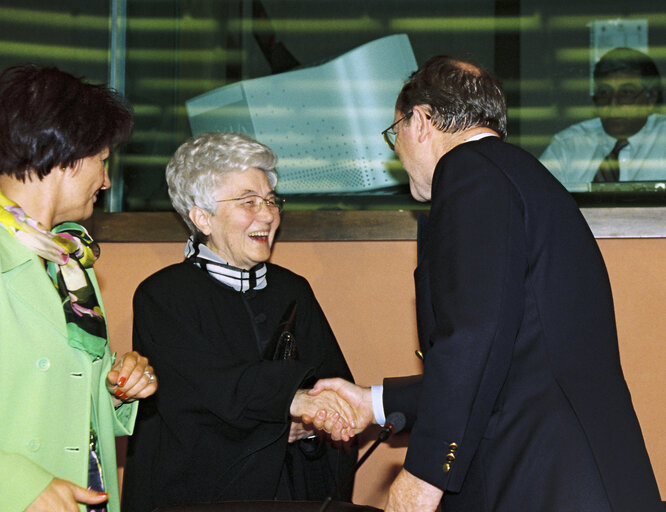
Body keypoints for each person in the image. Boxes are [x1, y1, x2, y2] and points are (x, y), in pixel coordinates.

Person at [310, 56, 663, 511]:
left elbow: (473, 338)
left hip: (542, 479)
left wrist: (423, 475)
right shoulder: (523, 177)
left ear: (420, 120)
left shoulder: (468, 173)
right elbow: (506, 364)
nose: (396, 150)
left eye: (393, 132)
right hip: (574, 475)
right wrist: (372, 403)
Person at [121, 132, 358, 511]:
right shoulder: (163, 295)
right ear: (202, 218)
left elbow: (334, 387)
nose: (267, 214)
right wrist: (289, 407)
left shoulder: (293, 290)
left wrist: (318, 425)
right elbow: (202, 397)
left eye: (269, 201)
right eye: (248, 202)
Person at [0, 65, 158, 512]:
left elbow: (62, 394)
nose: (106, 182)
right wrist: (16, 485)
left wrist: (117, 388)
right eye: (102, 161)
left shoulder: (68, 260)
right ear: (64, 155)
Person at [540, 47, 666, 185]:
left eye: (626, 93)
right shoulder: (568, 146)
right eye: (604, 93)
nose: (613, 104)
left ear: (651, 99)